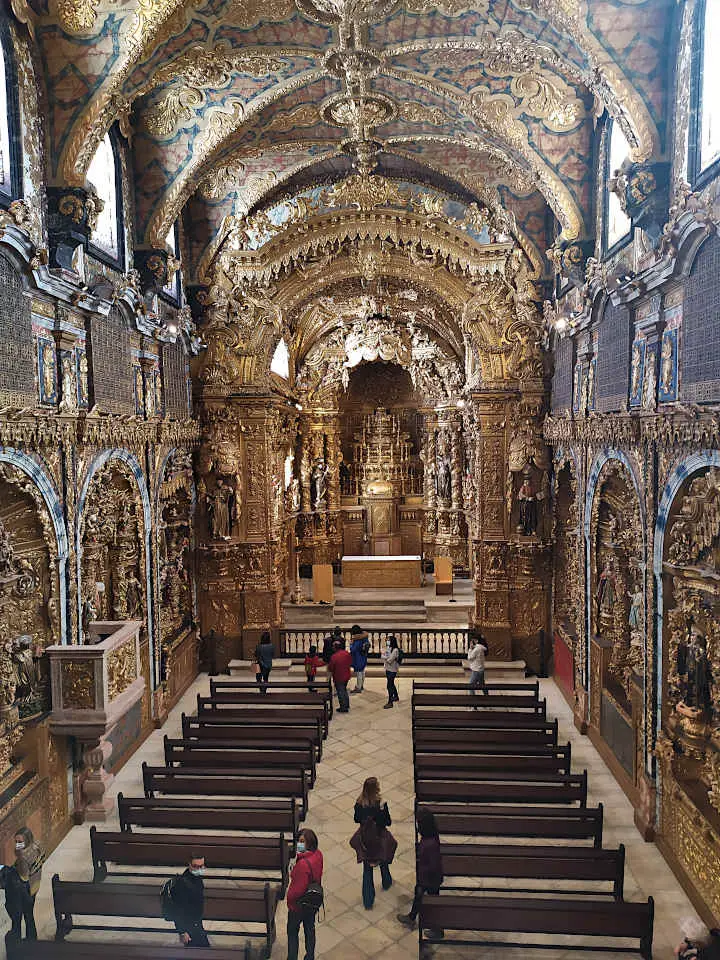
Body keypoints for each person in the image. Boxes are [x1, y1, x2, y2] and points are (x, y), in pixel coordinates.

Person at [397, 808, 444, 940]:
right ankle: (412, 917)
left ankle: (438, 929)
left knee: (433, 903)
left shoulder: (430, 844)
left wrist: (424, 872)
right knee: (419, 896)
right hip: (426, 878)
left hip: (430, 880)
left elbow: (433, 866)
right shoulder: (430, 837)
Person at [351, 777, 396, 910]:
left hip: (365, 838)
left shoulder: (359, 803)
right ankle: (386, 881)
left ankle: (368, 900)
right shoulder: (380, 803)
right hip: (379, 836)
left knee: (367, 869)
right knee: (384, 857)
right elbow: (387, 822)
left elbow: (356, 819)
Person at [286, 828, 324, 960]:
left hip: (298, 907)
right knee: (309, 929)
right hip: (312, 901)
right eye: (298, 841)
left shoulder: (302, 865)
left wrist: (289, 900)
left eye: (302, 842)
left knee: (292, 933)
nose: (299, 845)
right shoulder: (318, 855)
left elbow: (296, 892)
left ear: (309, 843)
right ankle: (310, 956)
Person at [1, 827, 44, 943]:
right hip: (36, 884)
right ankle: (32, 939)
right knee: (29, 915)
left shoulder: (23, 857)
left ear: (27, 840)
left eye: (20, 842)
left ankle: (21, 944)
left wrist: (19, 857)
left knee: (25, 915)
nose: (17, 845)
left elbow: (24, 876)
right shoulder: (38, 845)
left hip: (27, 890)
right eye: (16, 842)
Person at [170, 853, 209, 947]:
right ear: (189, 864)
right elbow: (177, 910)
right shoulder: (182, 883)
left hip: (197, 924)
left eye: (201, 866)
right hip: (189, 927)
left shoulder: (197, 878)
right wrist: (182, 931)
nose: (199, 869)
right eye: (195, 866)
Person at [328, 638, 352, 713]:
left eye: (333, 647)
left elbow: (331, 668)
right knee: (344, 690)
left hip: (339, 677)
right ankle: (347, 704)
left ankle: (343, 707)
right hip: (347, 675)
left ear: (335, 647)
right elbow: (350, 662)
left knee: (341, 692)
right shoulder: (346, 653)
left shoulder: (334, 657)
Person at [381, 635, 400, 708]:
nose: (387, 642)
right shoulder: (389, 648)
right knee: (391, 683)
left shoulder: (395, 650)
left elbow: (389, 660)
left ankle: (390, 702)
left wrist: (384, 656)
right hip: (388, 669)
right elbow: (385, 656)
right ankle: (396, 696)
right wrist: (385, 656)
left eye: (388, 640)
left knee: (389, 685)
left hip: (392, 670)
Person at [349, 625, 370, 693]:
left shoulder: (357, 640)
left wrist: (351, 644)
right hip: (363, 656)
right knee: (362, 671)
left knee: (359, 673)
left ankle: (358, 687)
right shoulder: (365, 637)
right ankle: (361, 685)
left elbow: (353, 649)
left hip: (358, 657)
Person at [467, 633, 488, 699]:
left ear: (476, 640)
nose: (472, 641)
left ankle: (473, 705)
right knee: (482, 685)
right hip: (481, 669)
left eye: (473, 640)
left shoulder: (477, 649)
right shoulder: (482, 647)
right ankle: (487, 699)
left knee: (471, 686)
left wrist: (470, 649)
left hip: (476, 670)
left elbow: (470, 657)